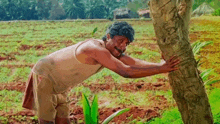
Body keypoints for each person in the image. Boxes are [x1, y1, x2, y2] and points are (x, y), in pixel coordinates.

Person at [22, 21, 180, 124]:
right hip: (46, 75)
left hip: (61, 84)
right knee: (47, 120)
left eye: (127, 43)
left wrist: (160, 65)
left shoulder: (113, 51)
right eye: (120, 41)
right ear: (109, 37)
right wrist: (160, 69)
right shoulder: (95, 48)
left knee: (63, 120)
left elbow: (133, 62)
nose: (123, 47)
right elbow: (125, 72)